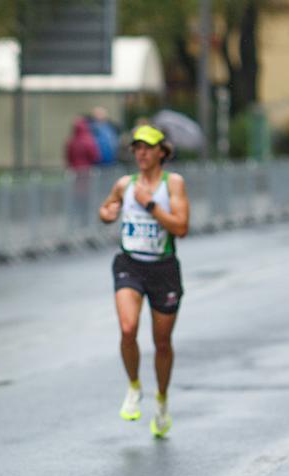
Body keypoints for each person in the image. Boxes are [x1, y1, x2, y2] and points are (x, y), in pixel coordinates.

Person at [98, 125, 190, 438]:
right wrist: (107, 213)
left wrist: (150, 204)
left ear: (162, 152)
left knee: (162, 343)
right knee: (127, 328)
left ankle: (162, 400)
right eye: (137, 147)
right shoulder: (125, 184)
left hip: (163, 269)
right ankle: (134, 387)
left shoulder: (172, 184)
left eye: (148, 148)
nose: (141, 153)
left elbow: (181, 227)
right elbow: (107, 207)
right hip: (130, 264)